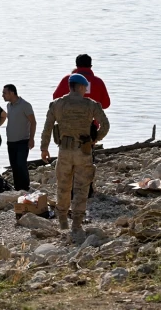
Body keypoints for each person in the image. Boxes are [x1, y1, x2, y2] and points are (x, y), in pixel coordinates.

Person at [40, 74, 110, 242]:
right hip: (83, 152)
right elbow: (105, 126)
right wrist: (94, 139)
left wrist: (44, 148)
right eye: (85, 88)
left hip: (64, 151)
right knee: (81, 188)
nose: (86, 90)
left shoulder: (57, 104)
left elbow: (48, 128)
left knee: (63, 187)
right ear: (80, 87)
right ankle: (76, 224)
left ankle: (63, 221)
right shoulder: (91, 105)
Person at [3, 84, 36, 191]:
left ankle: (25, 187)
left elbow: (33, 122)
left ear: (12, 93)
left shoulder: (25, 105)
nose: (2, 95)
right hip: (11, 141)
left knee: (21, 164)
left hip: (22, 140)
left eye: (5, 93)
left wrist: (32, 138)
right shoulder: (9, 106)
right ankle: (18, 188)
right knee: (14, 165)